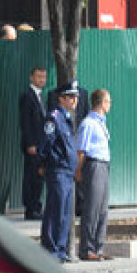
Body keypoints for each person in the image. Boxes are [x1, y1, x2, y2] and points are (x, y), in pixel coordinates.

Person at [39, 80, 80, 262]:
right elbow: (46, 144)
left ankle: (61, 250)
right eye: (70, 97)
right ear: (61, 99)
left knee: (65, 212)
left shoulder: (67, 118)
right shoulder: (53, 117)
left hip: (68, 172)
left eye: (75, 97)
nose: (74, 100)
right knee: (55, 210)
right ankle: (50, 249)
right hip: (58, 171)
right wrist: (49, 163)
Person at [75, 89, 113, 261]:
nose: (110, 104)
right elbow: (81, 150)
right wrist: (78, 171)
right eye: (108, 101)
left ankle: (98, 248)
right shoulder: (88, 123)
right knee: (92, 209)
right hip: (93, 165)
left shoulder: (101, 122)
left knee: (103, 210)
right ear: (101, 103)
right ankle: (87, 249)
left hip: (104, 165)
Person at [19, 67, 48, 220]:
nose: (41, 80)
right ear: (32, 77)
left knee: (39, 176)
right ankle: (30, 209)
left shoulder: (41, 96)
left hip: (41, 145)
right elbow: (25, 123)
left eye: (43, 77)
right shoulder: (27, 96)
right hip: (33, 145)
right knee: (31, 177)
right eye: (38, 77)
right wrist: (30, 143)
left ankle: (37, 206)